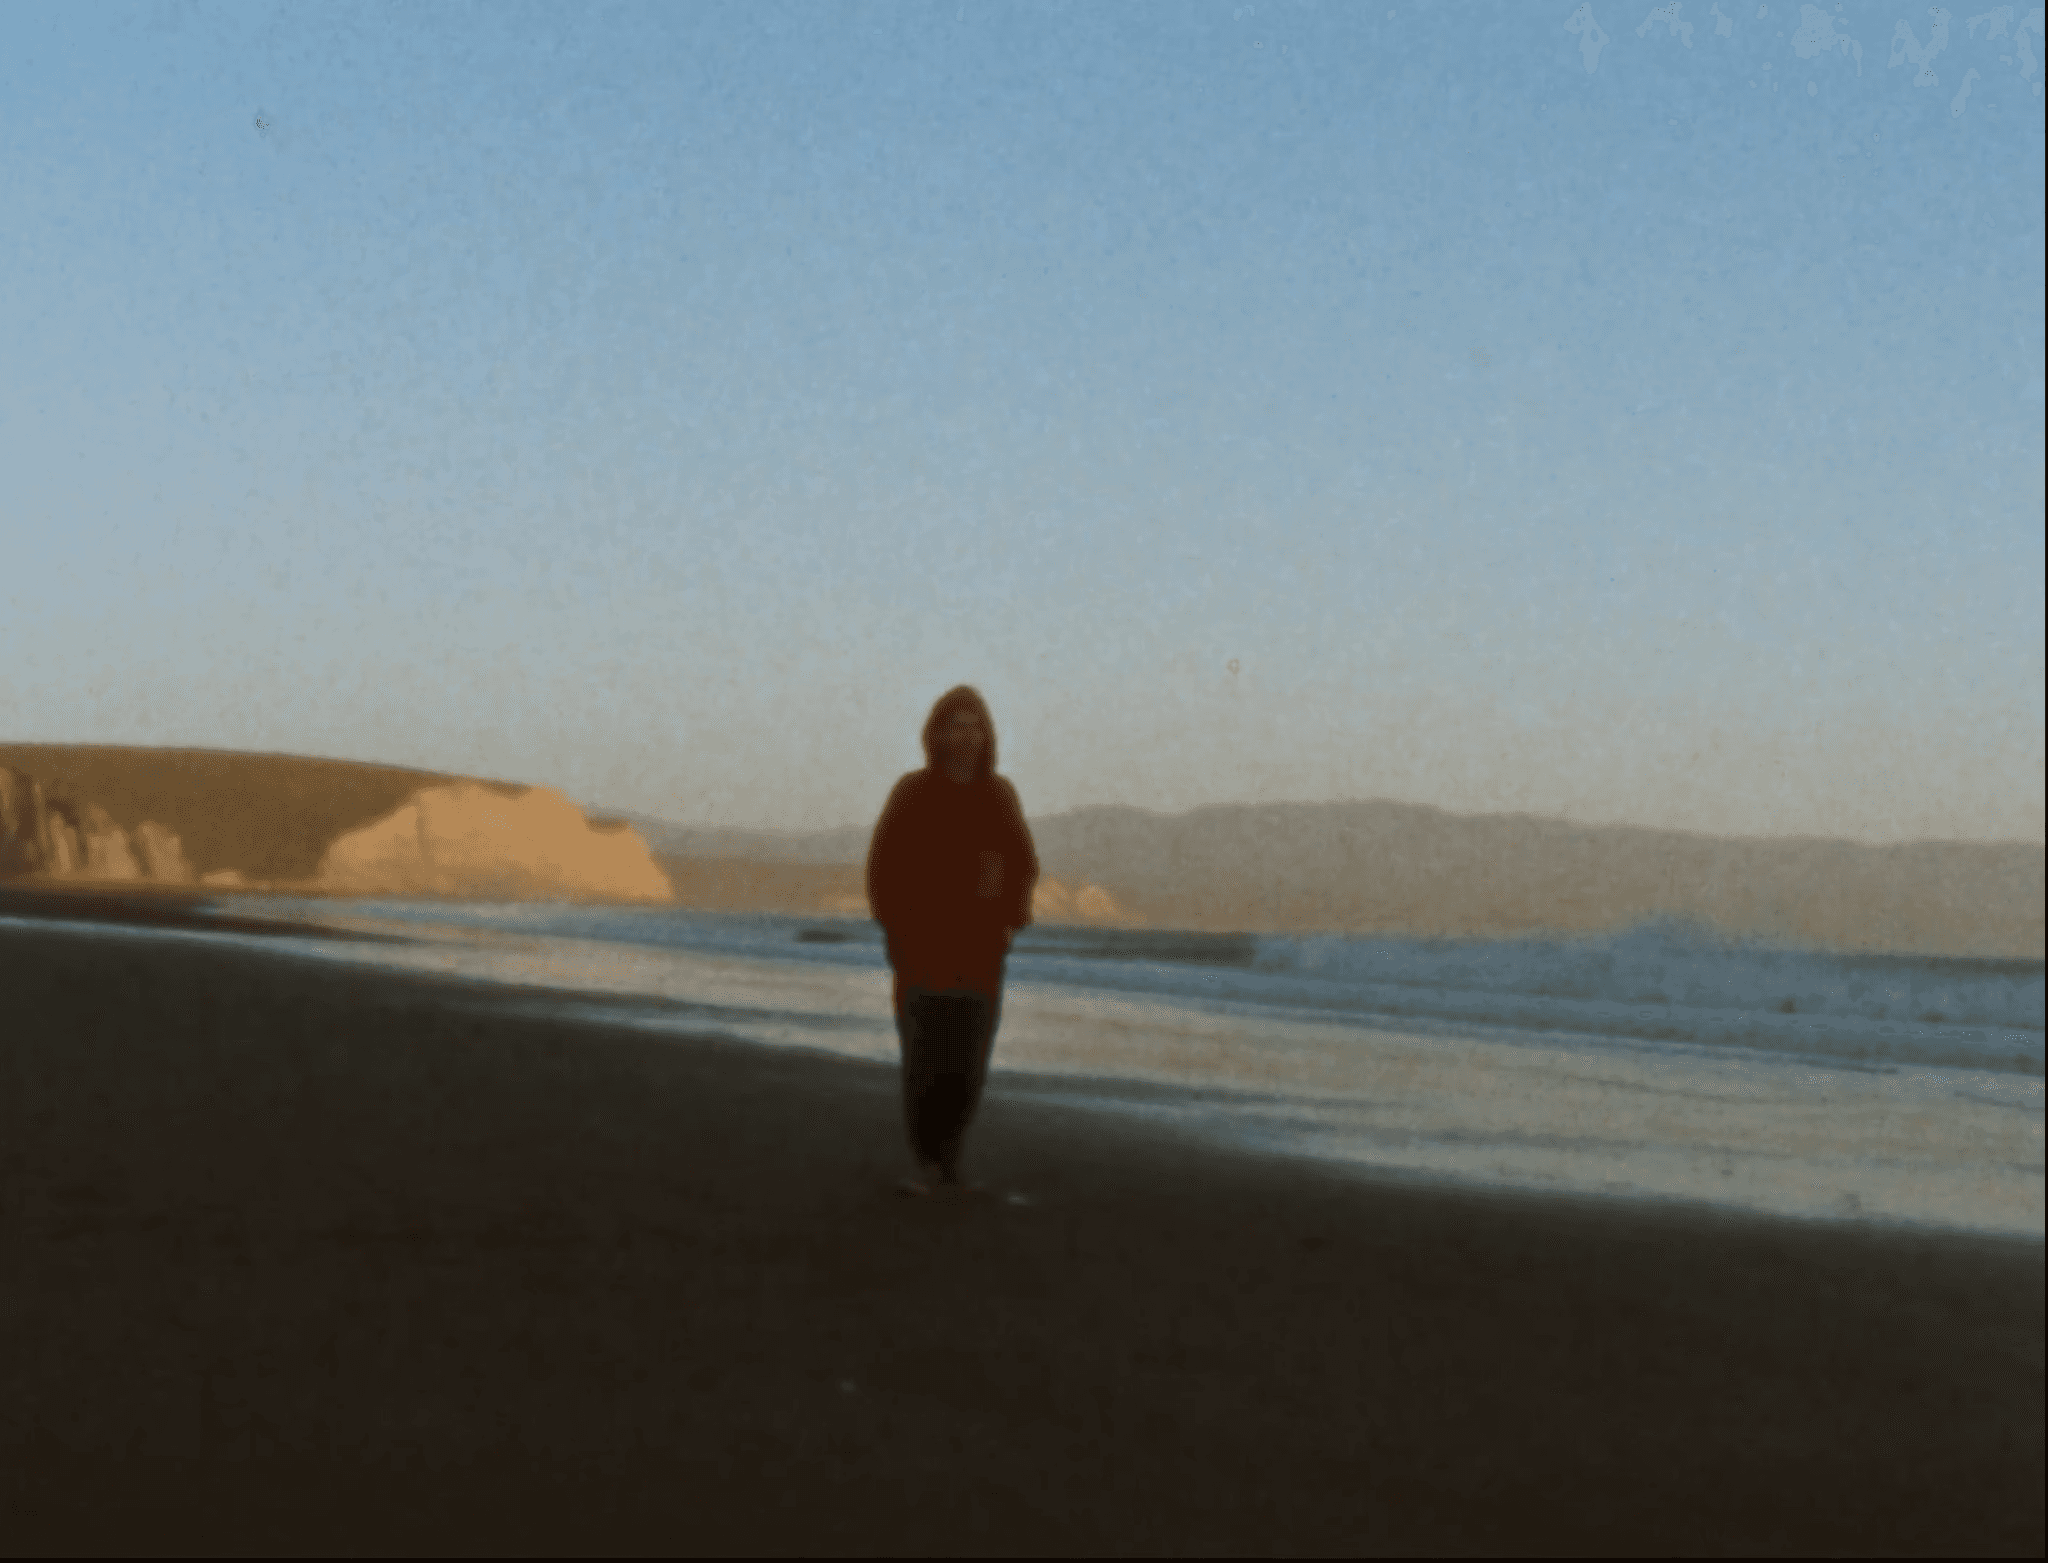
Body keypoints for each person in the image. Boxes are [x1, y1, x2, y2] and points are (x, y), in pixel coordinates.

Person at [866, 686, 1038, 1196]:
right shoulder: (912, 792)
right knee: (925, 1058)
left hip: (981, 952)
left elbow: (1023, 864)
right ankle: (927, 1162)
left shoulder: (999, 795)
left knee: (969, 1061)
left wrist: (1010, 920)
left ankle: (949, 1160)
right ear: (934, 734)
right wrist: (895, 929)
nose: (964, 735)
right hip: (921, 949)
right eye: (954, 725)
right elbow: (883, 867)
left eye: (973, 726)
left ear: (987, 736)